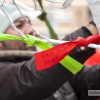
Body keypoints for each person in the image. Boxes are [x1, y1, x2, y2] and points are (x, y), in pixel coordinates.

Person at [0, 4, 100, 100]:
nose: (31, 30)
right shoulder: (4, 75)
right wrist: (91, 30)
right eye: (18, 26)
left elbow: (90, 88)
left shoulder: (60, 70)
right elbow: (34, 77)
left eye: (29, 24)